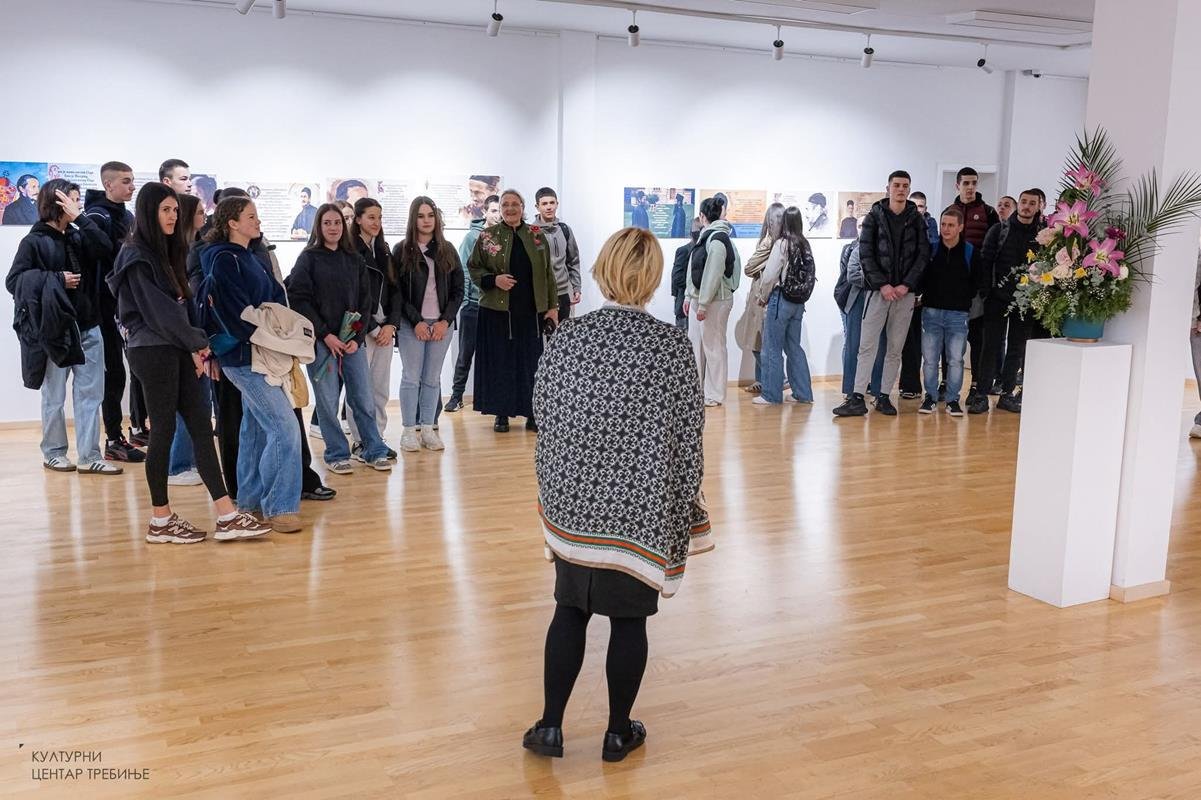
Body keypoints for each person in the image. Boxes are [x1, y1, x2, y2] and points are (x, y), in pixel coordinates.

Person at [522, 227, 705, 764]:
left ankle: (550, 728)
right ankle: (617, 733)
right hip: (639, 513)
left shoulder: (569, 337)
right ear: (652, 278)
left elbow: (545, 416)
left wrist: (555, 489)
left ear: (602, 269)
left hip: (575, 505)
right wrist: (684, 506)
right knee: (629, 623)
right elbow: (688, 436)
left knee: (569, 612)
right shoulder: (671, 346)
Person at [106, 184, 268, 542]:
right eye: (165, 210)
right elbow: (160, 312)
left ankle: (226, 515)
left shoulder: (166, 251)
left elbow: (184, 304)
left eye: (175, 210)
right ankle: (160, 520)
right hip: (153, 350)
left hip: (176, 347)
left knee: (200, 428)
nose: (173, 216)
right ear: (148, 212)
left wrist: (196, 347)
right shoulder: (135, 255)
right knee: (163, 431)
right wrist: (199, 345)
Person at [201, 197, 308, 533]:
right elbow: (238, 316)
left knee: (256, 429)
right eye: (251, 216)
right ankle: (279, 507)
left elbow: (274, 299)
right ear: (232, 223)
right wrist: (275, 333)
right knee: (285, 428)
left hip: (258, 353)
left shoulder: (249, 257)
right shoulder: (224, 260)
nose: (258, 222)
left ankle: (249, 502)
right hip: (245, 356)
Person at [6, 179, 122, 475]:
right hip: (55, 329)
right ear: (56, 202)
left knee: (91, 394)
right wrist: (56, 279)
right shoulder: (33, 241)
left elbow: (106, 249)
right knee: (54, 396)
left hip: (88, 325)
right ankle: (54, 452)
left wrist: (81, 219)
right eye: (72, 200)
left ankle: (89, 455)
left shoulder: (79, 235)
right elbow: (14, 281)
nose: (77, 205)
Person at [286, 203, 393, 474]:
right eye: (327, 223)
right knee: (327, 400)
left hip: (352, 342)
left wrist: (357, 336)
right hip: (322, 343)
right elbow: (299, 299)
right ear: (319, 227)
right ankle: (336, 454)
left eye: (337, 223)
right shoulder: (308, 258)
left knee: (363, 398)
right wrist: (326, 335)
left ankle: (373, 449)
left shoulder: (354, 258)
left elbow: (364, 301)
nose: (333, 227)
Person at [833, 170, 931, 417]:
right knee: (867, 346)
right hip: (878, 293)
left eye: (905, 186)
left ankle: (884, 396)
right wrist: (883, 285)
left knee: (894, 349)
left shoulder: (917, 220)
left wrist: (906, 285)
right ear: (888, 188)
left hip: (904, 295)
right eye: (897, 185)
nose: (901, 189)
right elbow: (866, 254)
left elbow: (922, 255)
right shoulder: (874, 217)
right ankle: (857, 397)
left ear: (909, 189)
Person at [467, 189, 558, 432]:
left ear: (523, 207)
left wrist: (552, 307)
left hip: (530, 312)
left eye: (514, 204)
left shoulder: (536, 234)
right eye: (505, 204)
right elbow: (473, 268)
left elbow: (548, 273)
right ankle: (502, 414)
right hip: (497, 313)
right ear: (500, 208)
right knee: (502, 364)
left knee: (531, 364)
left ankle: (532, 413)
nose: (510, 208)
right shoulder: (487, 236)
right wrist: (493, 280)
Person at [81, 161, 145, 463]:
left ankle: (129, 432)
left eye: (132, 181)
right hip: (103, 309)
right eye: (126, 181)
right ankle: (114, 439)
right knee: (113, 374)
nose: (132, 186)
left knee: (127, 372)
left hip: (122, 307)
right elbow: (104, 253)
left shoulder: (126, 216)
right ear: (108, 184)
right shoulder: (97, 216)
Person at [390, 196, 464, 451]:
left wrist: (445, 321)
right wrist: (416, 321)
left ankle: (428, 429)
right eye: (421, 216)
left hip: (441, 325)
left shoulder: (447, 249)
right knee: (411, 378)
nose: (426, 221)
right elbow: (397, 292)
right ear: (413, 219)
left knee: (432, 379)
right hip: (412, 325)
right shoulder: (401, 250)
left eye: (430, 215)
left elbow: (458, 291)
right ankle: (409, 431)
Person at [968, 189, 1044, 415]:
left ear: (1038, 207)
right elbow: (985, 260)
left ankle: (1007, 394)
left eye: (1032, 203)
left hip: (1025, 300)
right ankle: (981, 394)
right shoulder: (999, 230)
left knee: (1016, 348)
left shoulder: (1043, 236)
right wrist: (986, 292)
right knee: (990, 347)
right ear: (1018, 204)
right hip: (997, 299)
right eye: (1024, 202)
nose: (1027, 206)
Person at [918, 207, 984, 417]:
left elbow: (977, 281)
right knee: (930, 359)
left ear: (960, 227)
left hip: (958, 314)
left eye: (951, 225)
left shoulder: (970, 252)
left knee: (955, 359)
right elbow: (922, 277)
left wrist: (963, 298)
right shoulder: (931, 250)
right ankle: (930, 397)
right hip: (931, 312)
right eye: (943, 224)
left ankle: (952, 399)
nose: (946, 229)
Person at [346, 197, 396, 458]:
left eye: (379, 217)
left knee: (380, 389)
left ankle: (378, 437)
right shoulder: (350, 251)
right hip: (362, 331)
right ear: (358, 219)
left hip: (385, 330)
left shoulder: (383, 249)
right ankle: (360, 440)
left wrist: (391, 325)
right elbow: (354, 297)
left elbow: (396, 290)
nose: (376, 222)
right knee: (360, 390)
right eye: (371, 217)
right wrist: (374, 328)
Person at [752, 206, 816, 405]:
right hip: (799, 303)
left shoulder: (782, 243)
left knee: (771, 347)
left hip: (781, 300)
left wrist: (762, 296)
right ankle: (803, 393)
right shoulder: (804, 243)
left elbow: (770, 275)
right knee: (794, 347)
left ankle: (771, 395)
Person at [444, 194, 500, 412]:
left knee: (495, 354)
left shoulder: (505, 237)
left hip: (496, 306)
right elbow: (465, 271)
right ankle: (456, 396)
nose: (497, 215)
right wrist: (466, 302)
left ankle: (494, 399)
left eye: (499, 210)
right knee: (466, 353)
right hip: (474, 305)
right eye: (493, 210)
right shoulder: (472, 237)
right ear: (484, 212)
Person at [685, 196, 741, 407]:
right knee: (698, 345)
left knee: (714, 347)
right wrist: (690, 296)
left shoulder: (717, 239)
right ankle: (698, 390)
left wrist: (703, 303)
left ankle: (715, 394)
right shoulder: (711, 236)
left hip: (714, 302)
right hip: (703, 299)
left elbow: (713, 273)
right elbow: (697, 269)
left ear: (702, 216)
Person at [952, 167, 1001, 402]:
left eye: (974, 183)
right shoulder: (949, 212)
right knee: (952, 339)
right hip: (954, 287)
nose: (970, 187)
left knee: (978, 339)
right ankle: (947, 385)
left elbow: (994, 250)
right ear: (957, 186)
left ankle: (976, 387)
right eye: (966, 183)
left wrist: (985, 285)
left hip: (978, 288)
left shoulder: (989, 212)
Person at [734, 203, 785, 395]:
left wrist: (759, 266)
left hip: (763, 296)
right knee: (760, 340)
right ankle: (761, 380)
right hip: (768, 295)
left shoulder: (768, 242)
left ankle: (778, 378)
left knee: (760, 343)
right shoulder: (784, 241)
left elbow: (748, 268)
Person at [897, 191, 938, 400]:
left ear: (925, 208)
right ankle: (906, 384)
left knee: (921, 342)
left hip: (924, 293)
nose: (916, 209)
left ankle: (916, 385)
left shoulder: (931, 230)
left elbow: (930, 260)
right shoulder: (902, 227)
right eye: (913, 205)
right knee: (905, 341)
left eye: (920, 206)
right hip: (903, 291)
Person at [833, 240, 885, 397]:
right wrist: (878, 280)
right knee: (853, 345)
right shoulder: (858, 248)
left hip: (880, 300)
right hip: (858, 299)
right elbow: (852, 275)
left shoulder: (886, 248)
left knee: (880, 346)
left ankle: (877, 391)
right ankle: (851, 390)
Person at [533, 187, 582, 322]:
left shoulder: (565, 230)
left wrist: (576, 287)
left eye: (552, 203)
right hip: (541, 295)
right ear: (537, 207)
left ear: (557, 204)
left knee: (562, 332)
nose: (549, 207)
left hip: (563, 293)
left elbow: (573, 261)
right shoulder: (531, 232)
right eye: (544, 204)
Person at [670, 217, 701, 331]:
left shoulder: (705, 250)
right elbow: (676, 278)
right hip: (684, 303)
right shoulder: (683, 250)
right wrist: (694, 283)